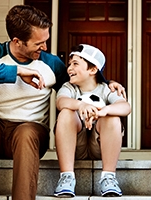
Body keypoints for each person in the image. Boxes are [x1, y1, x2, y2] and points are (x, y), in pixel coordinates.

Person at [0, 5, 125, 200]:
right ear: (17, 41)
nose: (44, 47)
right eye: (38, 43)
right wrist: (16, 72)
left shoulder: (51, 63)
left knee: (26, 133)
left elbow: (78, 85)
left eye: (46, 41)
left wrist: (106, 83)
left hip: (30, 133)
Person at [53, 44, 131, 197]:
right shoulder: (69, 88)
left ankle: (108, 177)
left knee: (113, 117)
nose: (69, 68)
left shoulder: (106, 89)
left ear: (93, 69)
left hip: (100, 147)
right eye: (69, 64)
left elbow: (125, 107)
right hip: (76, 147)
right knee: (66, 113)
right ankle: (67, 177)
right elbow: (61, 102)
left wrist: (104, 111)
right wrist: (81, 105)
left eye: (75, 64)